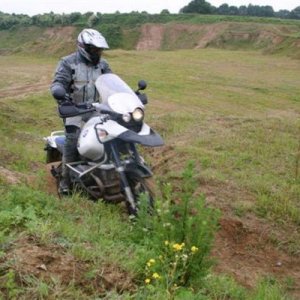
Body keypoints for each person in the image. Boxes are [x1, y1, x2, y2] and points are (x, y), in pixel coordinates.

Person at [50, 28, 112, 195]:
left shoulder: (103, 65)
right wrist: (60, 93)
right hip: (74, 110)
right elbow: (59, 82)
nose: (98, 52)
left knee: (111, 135)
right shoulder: (67, 62)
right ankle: (65, 181)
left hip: (96, 109)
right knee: (73, 139)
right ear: (84, 47)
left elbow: (111, 82)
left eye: (100, 50)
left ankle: (107, 172)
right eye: (95, 49)